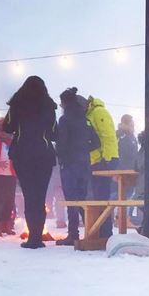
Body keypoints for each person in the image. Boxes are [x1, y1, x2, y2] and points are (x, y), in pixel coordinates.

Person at [3, 75, 57, 249]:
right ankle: (37, 237)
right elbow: (55, 132)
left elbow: (7, 127)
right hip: (44, 154)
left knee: (29, 195)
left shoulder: (16, 104)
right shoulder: (49, 106)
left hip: (22, 153)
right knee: (40, 196)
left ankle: (32, 238)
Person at [55, 87, 99, 246]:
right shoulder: (85, 119)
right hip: (84, 163)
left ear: (65, 103)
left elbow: (61, 143)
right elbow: (96, 142)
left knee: (71, 200)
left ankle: (73, 234)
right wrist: (83, 150)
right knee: (82, 198)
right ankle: (92, 230)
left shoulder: (65, 120)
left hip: (69, 164)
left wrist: (62, 156)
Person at [87, 96, 119, 240]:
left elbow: (107, 136)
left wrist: (107, 159)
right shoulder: (92, 113)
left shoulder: (98, 112)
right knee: (99, 197)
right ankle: (102, 231)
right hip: (97, 160)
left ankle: (105, 233)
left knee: (102, 197)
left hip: (103, 160)